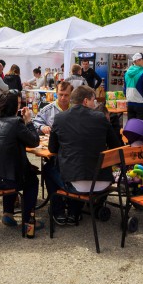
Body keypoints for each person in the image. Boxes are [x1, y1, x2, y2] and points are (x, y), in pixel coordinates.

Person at [45, 85, 122, 225]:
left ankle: (58, 211)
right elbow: (116, 147)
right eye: (93, 101)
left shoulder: (60, 118)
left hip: (76, 184)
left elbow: (52, 149)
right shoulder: (100, 117)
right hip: (103, 182)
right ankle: (74, 212)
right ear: (86, 101)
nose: (95, 104)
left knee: (49, 168)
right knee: (77, 167)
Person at [0, 92, 43, 236]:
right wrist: (29, 122)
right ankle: (28, 221)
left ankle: (8, 213)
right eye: (18, 104)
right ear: (14, 107)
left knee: (12, 172)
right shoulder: (15, 122)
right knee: (31, 181)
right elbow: (34, 141)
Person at [124, 52, 143, 121]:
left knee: (131, 125)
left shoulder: (126, 73)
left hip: (130, 104)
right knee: (140, 126)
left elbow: (124, 90)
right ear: (138, 60)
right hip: (141, 104)